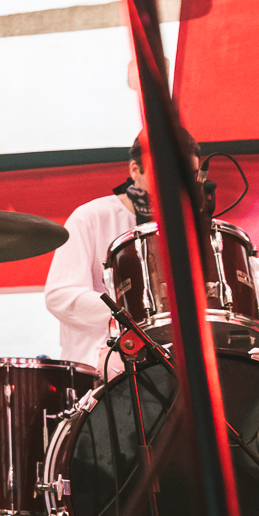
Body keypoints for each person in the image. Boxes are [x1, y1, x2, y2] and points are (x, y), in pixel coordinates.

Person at [43, 132, 202, 374]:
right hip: (103, 353)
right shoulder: (91, 216)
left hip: (172, 350)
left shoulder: (188, 225)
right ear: (135, 170)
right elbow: (60, 296)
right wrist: (136, 310)